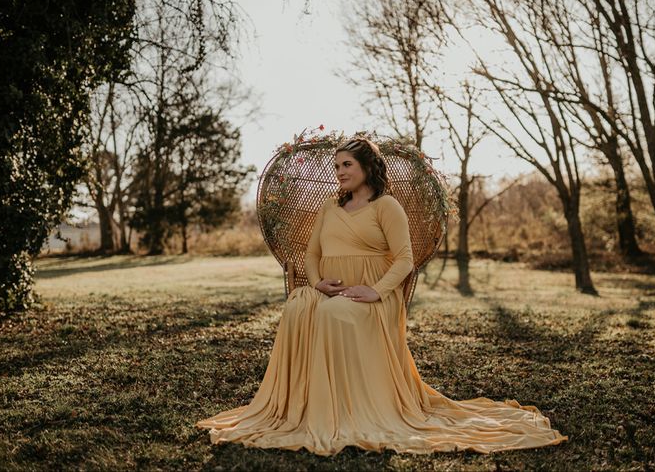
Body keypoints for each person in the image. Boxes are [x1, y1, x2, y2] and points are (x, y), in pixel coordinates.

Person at [195, 137, 568, 456]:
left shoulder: (387, 207)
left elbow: (405, 259)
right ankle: (303, 409)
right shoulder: (329, 206)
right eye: (336, 166)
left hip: (373, 296)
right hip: (330, 287)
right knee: (299, 306)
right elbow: (310, 254)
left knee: (334, 315)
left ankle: (346, 412)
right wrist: (316, 283)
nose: (339, 172)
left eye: (346, 164)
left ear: (367, 167)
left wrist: (374, 291)